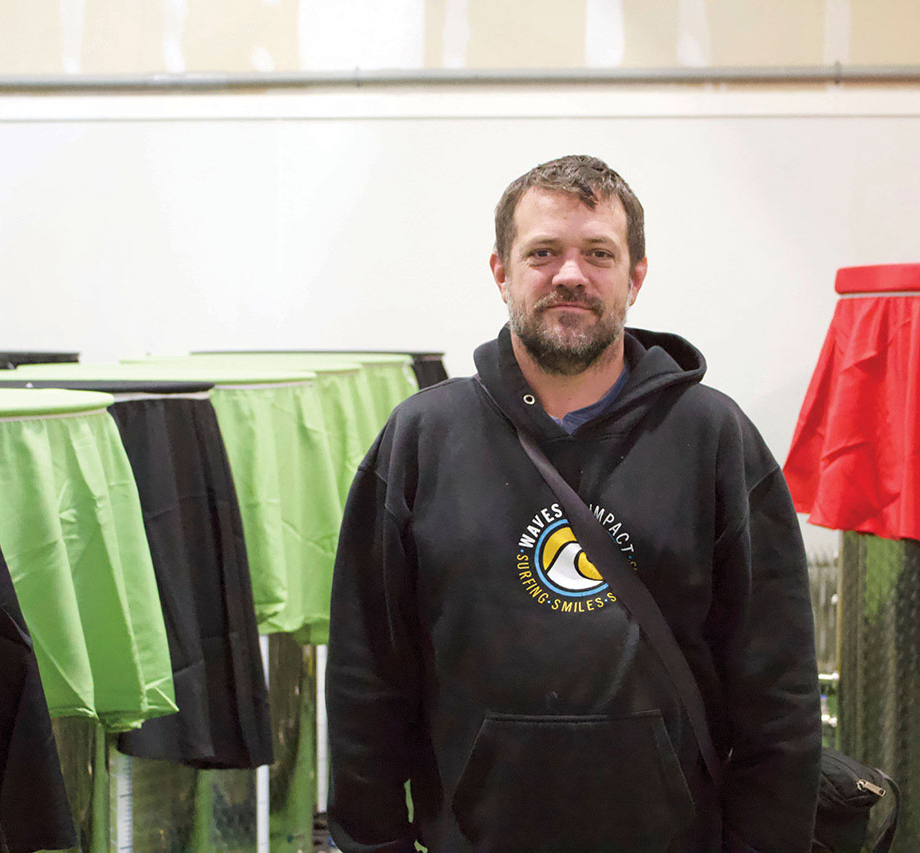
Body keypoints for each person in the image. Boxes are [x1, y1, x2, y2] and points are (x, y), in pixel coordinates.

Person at [327, 154, 821, 852]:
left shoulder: (713, 438)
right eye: (543, 253)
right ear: (500, 272)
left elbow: (780, 696)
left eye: (598, 253)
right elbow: (365, 686)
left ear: (635, 275)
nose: (570, 274)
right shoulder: (421, 440)